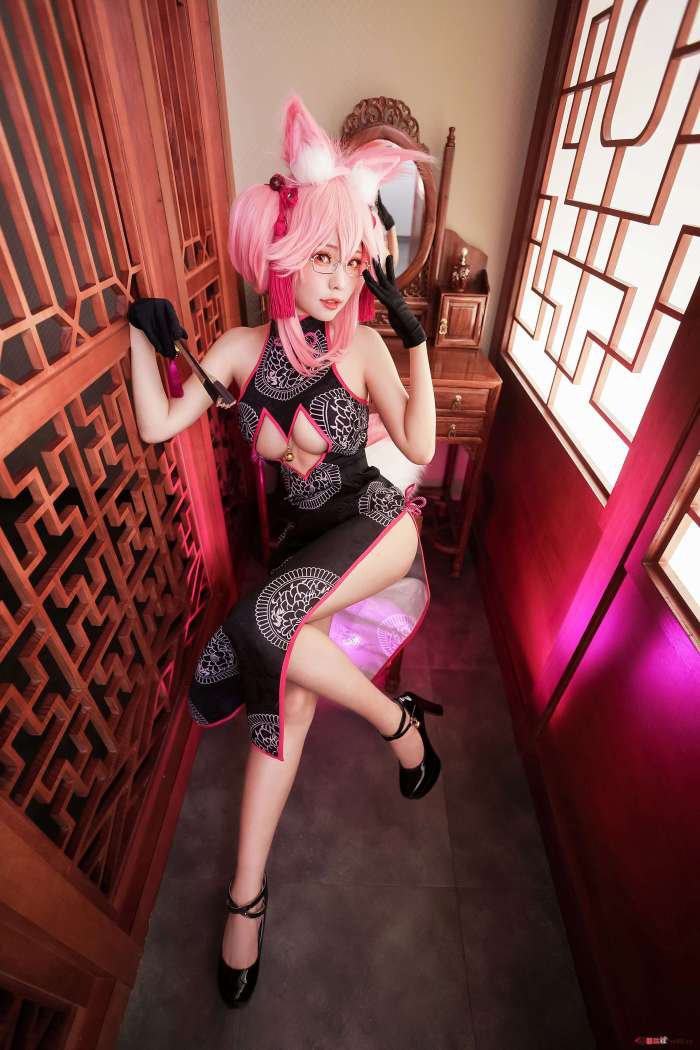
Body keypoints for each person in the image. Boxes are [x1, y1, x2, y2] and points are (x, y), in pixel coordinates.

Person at [127, 95, 443, 1009]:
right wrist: (144, 336)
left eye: (350, 259)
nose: (339, 281)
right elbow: (158, 422)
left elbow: (420, 446)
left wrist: (415, 339)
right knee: (286, 693)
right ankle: (247, 896)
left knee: (268, 620)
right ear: (281, 257)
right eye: (320, 258)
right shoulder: (239, 349)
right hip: (308, 552)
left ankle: (397, 729)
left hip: (377, 526)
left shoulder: (365, 346)